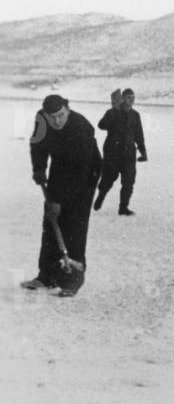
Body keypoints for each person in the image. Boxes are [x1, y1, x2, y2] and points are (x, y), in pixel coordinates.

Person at [23, 95, 102, 297]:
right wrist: (39, 168)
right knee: (50, 221)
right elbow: (37, 144)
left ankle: (72, 279)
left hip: (86, 175)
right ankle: (46, 276)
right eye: (53, 117)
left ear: (68, 109)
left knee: (74, 224)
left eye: (61, 115)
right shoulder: (42, 119)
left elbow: (78, 172)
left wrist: (59, 200)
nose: (57, 121)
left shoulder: (81, 128)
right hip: (60, 168)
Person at [95, 87, 147, 215]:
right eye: (129, 98)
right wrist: (113, 112)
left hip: (129, 153)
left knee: (129, 182)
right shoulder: (113, 112)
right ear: (123, 98)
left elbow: (139, 135)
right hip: (113, 153)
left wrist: (143, 152)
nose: (131, 100)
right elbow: (101, 125)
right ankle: (101, 196)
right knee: (108, 179)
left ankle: (123, 208)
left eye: (133, 98)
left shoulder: (135, 115)